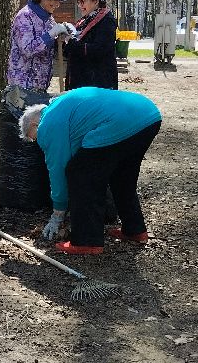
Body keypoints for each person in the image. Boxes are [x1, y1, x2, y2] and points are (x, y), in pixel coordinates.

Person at [19, 87, 162, 256]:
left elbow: (58, 168)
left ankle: (87, 241)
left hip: (120, 123)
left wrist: (58, 212)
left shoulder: (47, 124)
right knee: (122, 176)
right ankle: (134, 229)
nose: (38, 141)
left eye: (33, 137)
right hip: (148, 115)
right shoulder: (60, 105)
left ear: (35, 124)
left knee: (79, 174)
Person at [7, 0, 70, 93]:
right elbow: (27, 50)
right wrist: (51, 34)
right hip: (23, 85)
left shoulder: (49, 19)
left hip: (40, 85)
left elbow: (49, 47)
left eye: (59, 0)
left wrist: (61, 39)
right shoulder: (25, 16)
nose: (57, 4)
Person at [62, 0, 118, 90]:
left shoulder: (106, 21)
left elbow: (100, 49)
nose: (80, 5)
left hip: (97, 84)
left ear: (96, 1)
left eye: (83, 1)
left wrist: (73, 45)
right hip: (84, 81)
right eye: (78, 2)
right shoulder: (85, 20)